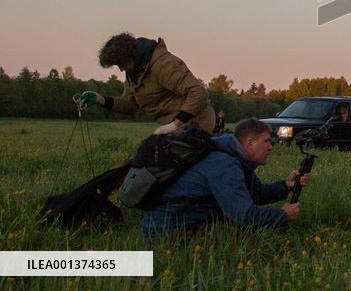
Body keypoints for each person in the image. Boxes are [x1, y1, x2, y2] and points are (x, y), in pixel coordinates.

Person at [140, 118, 310, 237]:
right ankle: (127, 265)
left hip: (171, 222)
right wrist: (282, 215)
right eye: (266, 141)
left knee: (256, 229)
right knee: (250, 237)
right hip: (166, 230)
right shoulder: (224, 164)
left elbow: (255, 194)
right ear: (250, 143)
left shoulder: (233, 157)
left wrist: (285, 185)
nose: (270, 147)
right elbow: (244, 216)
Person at [77, 33, 215, 134]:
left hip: (196, 125)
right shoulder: (133, 71)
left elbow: (198, 92)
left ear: (132, 56)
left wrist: (175, 125)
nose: (121, 69)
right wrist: (100, 99)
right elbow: (130, 104)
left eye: (121, 64)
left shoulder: (163, 64)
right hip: (171, 127)